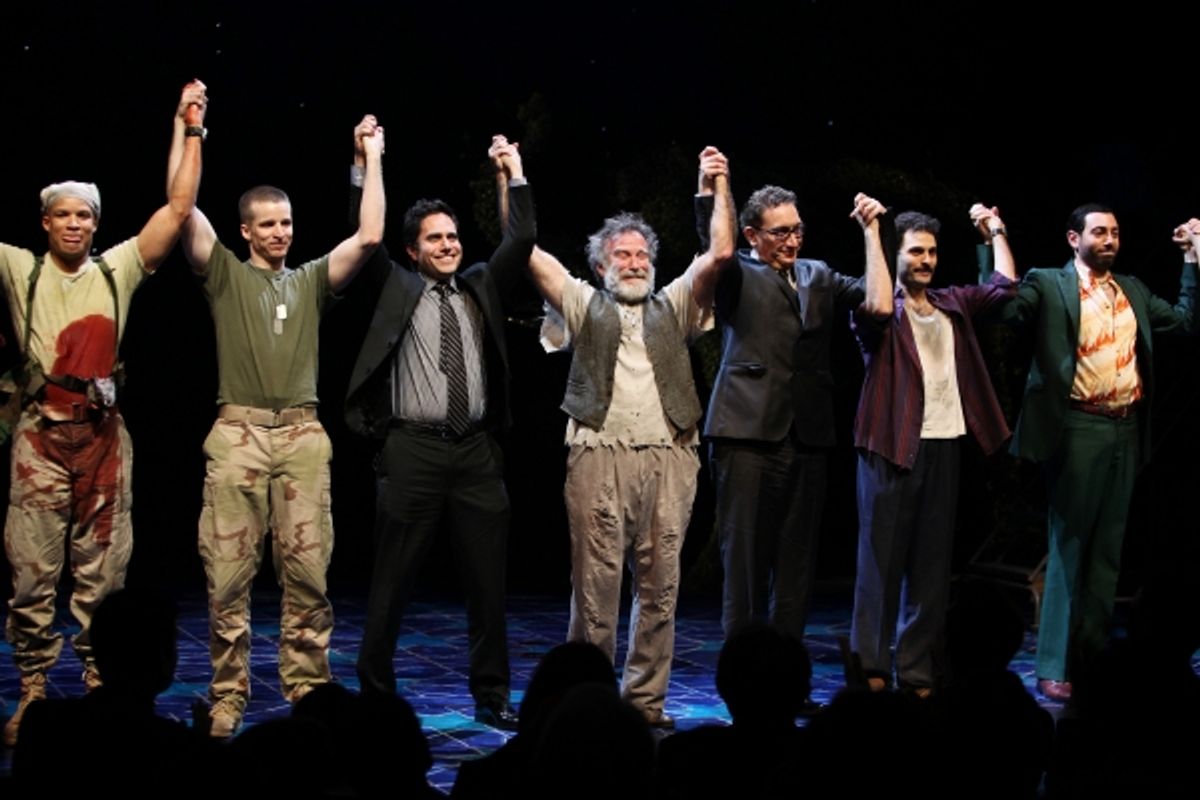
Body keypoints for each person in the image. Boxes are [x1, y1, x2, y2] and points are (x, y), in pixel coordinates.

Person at [1, 81, 206, 747]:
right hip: (39, 442)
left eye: (85, 216)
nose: (75, 225)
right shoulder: (21, 271)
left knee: (101, 579)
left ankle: (99, 688)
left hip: (103, 444)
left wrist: (189, 127)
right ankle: (33, 689)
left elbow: (177, 209)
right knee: (31, 576)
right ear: (45, 223)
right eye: (63, 215)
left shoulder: (116, 269)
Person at [170, 113, 386, 737]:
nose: (280, 233)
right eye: (267, 224)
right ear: (245, 230)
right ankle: (228, 696)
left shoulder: (313, 279)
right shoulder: (226, 276)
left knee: (309, 578)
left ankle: (308, 695)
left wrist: (370, 155)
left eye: (287, 223)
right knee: (228, 578)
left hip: (300, 437)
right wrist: (192, 131)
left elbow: (370, 236)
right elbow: (182, 207)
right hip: (237, 435)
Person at [528, 146, 734, 727]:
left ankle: (645, 702)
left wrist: (711, 188)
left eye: (643, 254)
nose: (636, 261)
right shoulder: (582, 301)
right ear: (602, 266)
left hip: (671, 455)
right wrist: (513, 178)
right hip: (599, 453)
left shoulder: (674, 304)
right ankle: (588, 701)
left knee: (661, 586)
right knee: (595, 590)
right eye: (623, 254)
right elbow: (527, 252)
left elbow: (719, 251)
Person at [345, 135, 535, 730]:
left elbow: (521, 239)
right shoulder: (394, 284)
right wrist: (366, 163)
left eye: (452, 236)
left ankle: (492, 694)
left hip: (476, 451)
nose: (449, 245)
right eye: (435, 238)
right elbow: (365, 235)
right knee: (393, 581)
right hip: (413, 450)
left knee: (487, 584)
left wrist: (513, 171)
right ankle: (376, 693)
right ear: (413, 249)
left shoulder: (479, 283)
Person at [1001, 204, 1200, 701]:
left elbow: (1184, 322)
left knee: (1108, 551)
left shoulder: (1130, 289)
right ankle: (1053, 664)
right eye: (1099, 232)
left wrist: (1193, 259)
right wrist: (993, 240)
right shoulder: (1049, 282)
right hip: (1077, 425)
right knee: (1069, 547)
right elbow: (1006, 311)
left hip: (1125, 427)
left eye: (1115, 232)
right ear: (1074, 238)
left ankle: (1088, 659)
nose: (1110, 239)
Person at [850, 200, 1017, 695]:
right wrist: (872, 231)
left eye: (932, 252)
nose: (926, 260)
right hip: (888, 445)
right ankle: (873, 667)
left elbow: (1006, 286)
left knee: (930, 567)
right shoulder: (881, 309)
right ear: (898, 256)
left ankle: (917, 668)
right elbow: (878, 304)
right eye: (916, 251)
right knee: (879, 563)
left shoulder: (953, 303)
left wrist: (994, 228)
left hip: (943, 445)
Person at [696, 183, 864, 644]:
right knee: (745, 561)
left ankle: (785, 675)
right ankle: (744, 674)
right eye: (781, 232)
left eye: (798, 230)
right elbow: (718, 248)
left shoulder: (818, 274)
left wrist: (874, 232)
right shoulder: (737, 273)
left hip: (807, 434)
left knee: (797, 563)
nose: (792, 240)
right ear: (753, 235)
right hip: (746, 432)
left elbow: (880, 302)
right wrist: (715, 189)